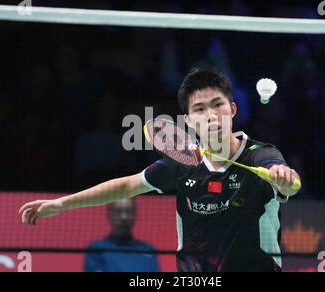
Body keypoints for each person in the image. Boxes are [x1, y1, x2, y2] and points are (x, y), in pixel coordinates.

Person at [19, 68, 301, 272]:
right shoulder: (183, 162)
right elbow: (127, 186)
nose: (211, 114)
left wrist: (285, 178)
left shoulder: (259, 155)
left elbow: (287, 181)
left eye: (218, 104)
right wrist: (61, 204)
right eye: (200, 109)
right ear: (189, 121)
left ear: (232, 109)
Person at [84, 199, 160, 272]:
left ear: (135, 214)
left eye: (128, 211)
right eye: (118, 211)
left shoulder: (148, 249)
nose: (124, 217)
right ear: (109, 214)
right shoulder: (96, 249)